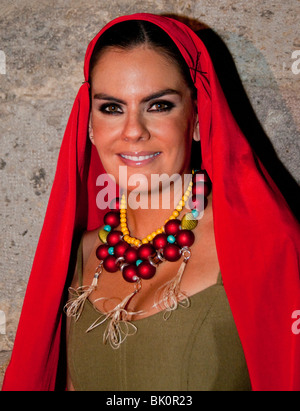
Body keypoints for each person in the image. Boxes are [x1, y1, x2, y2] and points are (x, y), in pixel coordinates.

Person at [2, 13, 300, 392]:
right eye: (111, 108)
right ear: (90, 125)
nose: (133, 131)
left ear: (196, 117)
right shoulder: (79, 257)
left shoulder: (266, 247)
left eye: (158, 105)